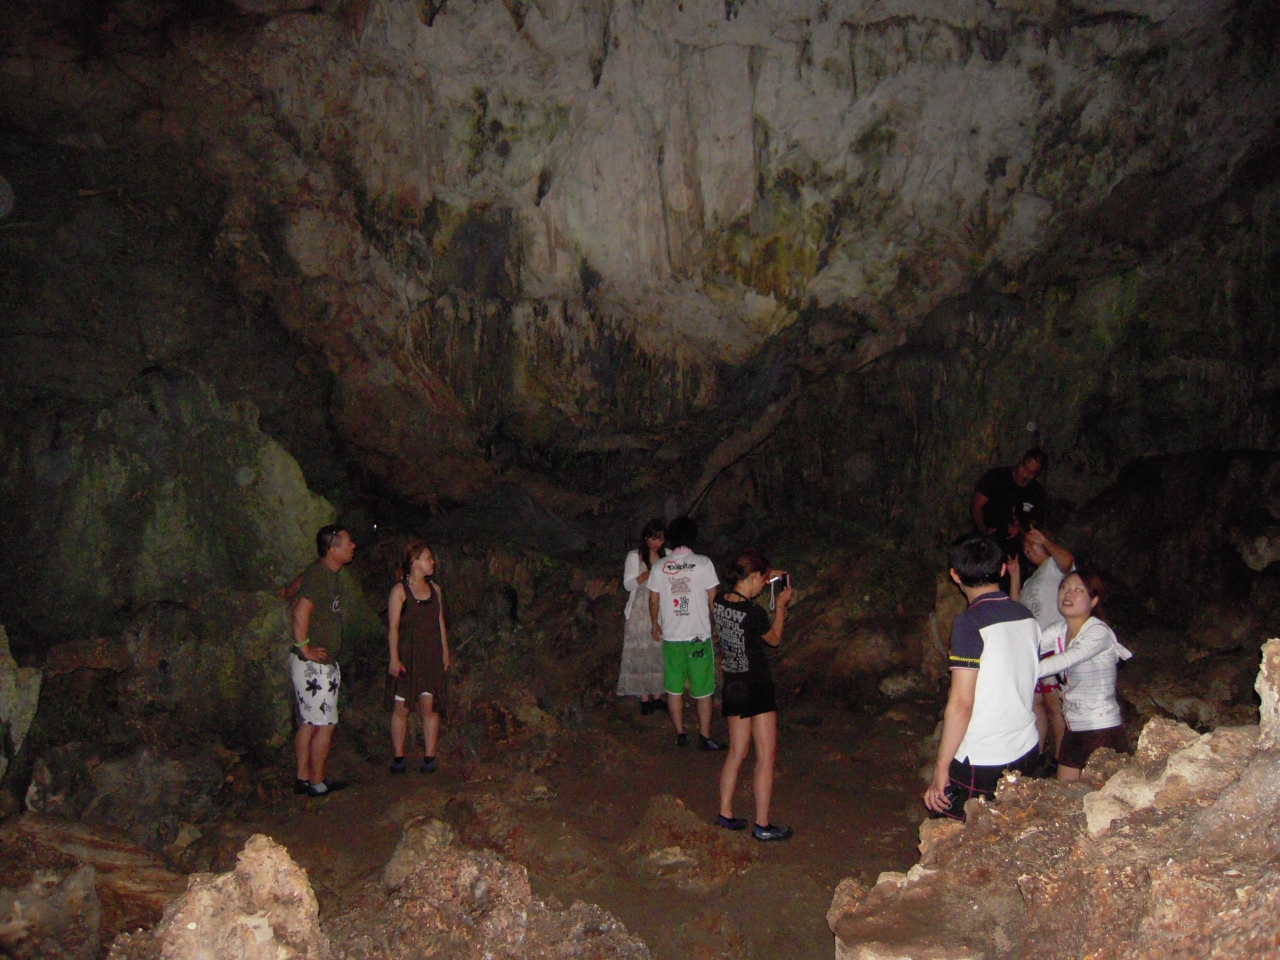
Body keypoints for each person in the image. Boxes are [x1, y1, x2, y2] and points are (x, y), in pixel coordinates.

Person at [924, 533, 1041, 820]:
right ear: (1002, 570)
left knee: (951, 835)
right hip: (1026, 747)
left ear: (954, 575)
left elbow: (962, 703)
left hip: (983, 757)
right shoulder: (1026, 616)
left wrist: (941, 767)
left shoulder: (969, 623)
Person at [712, 549, 794, 842]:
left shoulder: (720, 600)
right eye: (763, 579)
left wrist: (770, 575)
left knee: (736, 752)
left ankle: (725, 813)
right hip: (756, 684)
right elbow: (774, 639)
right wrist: (780, 607)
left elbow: (746, 588)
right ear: (755, 577)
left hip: (733, 682)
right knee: (765, 756)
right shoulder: (754, 613)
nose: (763, 586)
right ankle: (762, 824)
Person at [1035, 571, 1133, 781]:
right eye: (1064, 588)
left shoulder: (1098, 633)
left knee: (1104, 793)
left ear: (1093, 601)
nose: (1068, 594)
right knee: (1065, 792)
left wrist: (1027, 672)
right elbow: (1029, 647)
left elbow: (1069, 658)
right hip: (1074, 726)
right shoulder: (1059, 630)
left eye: (1078, 590)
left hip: (1101, 728)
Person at [289, 524, 355, 797]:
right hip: (315, 667)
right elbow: (301, 610)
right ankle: (317, 783)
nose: (353, 546)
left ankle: (303, 778)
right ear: (332, 549)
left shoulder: (322, 573)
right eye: (348, 542)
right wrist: (305, 648)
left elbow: (298, 587)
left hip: (314, 666)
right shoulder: (320, 576)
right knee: (325, 724)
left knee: (309, 722)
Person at [647, 515, 724, 750]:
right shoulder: (703, 563)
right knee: (703, 689)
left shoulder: (660, 566)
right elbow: (713, 599)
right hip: (698, 635)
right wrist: (719, 626)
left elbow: (653, 599)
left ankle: (680, 733)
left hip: (672, 636)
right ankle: (704, 736)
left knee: (674, 688)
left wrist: (655, 623)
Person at [386, 540, 450, 774]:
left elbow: (440, 623)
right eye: (427, 558)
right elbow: (393, 627)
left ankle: (429, 756)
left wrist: (444, 652)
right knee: (401, 707)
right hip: (408, 655)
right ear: (414, 563)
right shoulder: (400, 591)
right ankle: (398, 756)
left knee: (428, 706)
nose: (432, 562)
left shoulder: (435, 590)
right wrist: (394, 658)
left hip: (430, 655)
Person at [1010, 528, 1074, 760]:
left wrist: (1045, 541)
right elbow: (1017, 609)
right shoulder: (1031, 580)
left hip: (1053, 648)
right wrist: (1015, 575)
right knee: (1034, 704)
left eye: (1031, 544)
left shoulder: (1055, 567)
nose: (1027, 550)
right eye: (1025, 546)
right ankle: (1036, 754)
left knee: (1053, 705)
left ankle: (1060, 758)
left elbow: (1068, 560)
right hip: (1034, 650)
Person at [618, 520, 667, 714]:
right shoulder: (634, 556)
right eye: (653, 539)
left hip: (661, 607)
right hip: (640, 609)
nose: (656, 543)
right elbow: (627, 585)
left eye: (660, 539)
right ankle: (644, 697)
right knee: (640, 651)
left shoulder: (667, 554)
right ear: (646, 538)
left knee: (657, 651)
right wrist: (643, 577)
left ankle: (657, 695)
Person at [971, 448, 1048, 561]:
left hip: (1015, 552)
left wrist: (1020, 530)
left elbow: (1035, 525)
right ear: (1021, 460)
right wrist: (984, 531)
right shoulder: (996, 477)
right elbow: (976, 506)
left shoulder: (1037, 493)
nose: (1025, 474)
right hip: (987, 543)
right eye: (1024, 467)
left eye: (1031, 472)